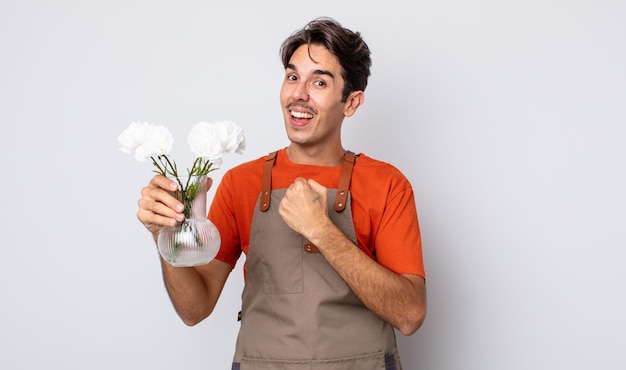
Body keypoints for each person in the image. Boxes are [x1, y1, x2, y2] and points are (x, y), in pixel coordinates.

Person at [137, 17, 426, 370]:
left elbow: (410, 314)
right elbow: (194, 309)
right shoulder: (241, 183)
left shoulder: (387, 184)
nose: (298, 94)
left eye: (319, 81)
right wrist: (164, 237)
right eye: (292, 77)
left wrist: (321, 230)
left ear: (351, 102)